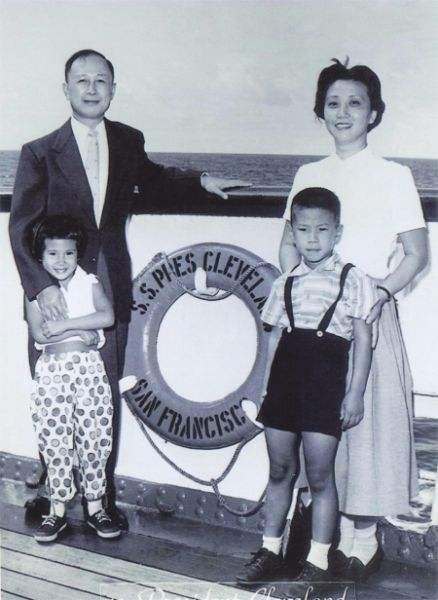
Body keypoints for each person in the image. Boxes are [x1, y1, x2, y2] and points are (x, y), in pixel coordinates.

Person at [9, 49, 248, 526]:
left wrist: (202, 180)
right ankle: (54, 495)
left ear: (113, 90)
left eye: (101, 80)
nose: (91, 89)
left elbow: (155, 178)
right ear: (66, 89)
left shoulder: (127, 140)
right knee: (55, 398)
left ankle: (100, 498)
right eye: (82, 80)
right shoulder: (39, 152)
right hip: (55, 289)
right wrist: (41, 288)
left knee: (101, 397)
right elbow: (21, 227)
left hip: (108, 283)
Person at [279, 60, 428, 581]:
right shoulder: (307, 175)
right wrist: (302, 293)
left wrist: (377, 293)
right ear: (321, 112)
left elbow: (417, 254)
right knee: (319, 429)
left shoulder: (394, 176)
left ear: (374, 114)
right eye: (333, 103)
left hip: (368, 317)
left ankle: (363, 538)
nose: (343, 113)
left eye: (355, 103)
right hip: (314, 325)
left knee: (365, 428)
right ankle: (328, 536)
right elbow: (288, 245)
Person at [237, 187, 375, 584]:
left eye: (322, 230)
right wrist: (264, 388)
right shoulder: (286, 282)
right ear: (292, 234)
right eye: (303, 230)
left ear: (338, 232)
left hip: (324, 386)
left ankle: (317, 561)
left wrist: (354, 394)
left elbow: (363, 340)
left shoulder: (354, 279)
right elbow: (274, 340)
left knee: (319, 475)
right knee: (280, 469)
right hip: (285, 383)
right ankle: (270, 551)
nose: (312, 239)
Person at [25, 214, 122, 542]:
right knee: (54, 438)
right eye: (52, 253)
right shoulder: (35, 293)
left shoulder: (89, 282)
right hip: (53, 372)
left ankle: (95, 508)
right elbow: (41, 333)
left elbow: (107, 316)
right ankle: (56, 510)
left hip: (89, 371)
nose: (61, 261)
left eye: (68, 253)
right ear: (40, 257)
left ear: (78, 253)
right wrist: (83, 332)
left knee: (95, 434)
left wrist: (67, 326)